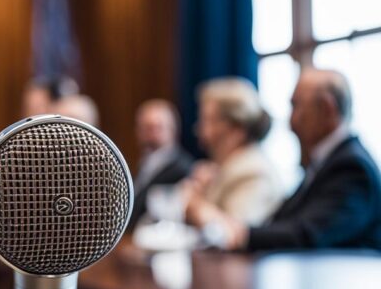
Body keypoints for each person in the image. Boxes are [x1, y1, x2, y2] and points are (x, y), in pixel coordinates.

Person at [191, 69, 381, 251]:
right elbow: (282, 220)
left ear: (326, 108)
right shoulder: (328, 162)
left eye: (296, 106)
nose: (291, 123)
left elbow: (308, 234)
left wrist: (240, 235)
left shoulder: (352, 167)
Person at [185, 77, 283, 227]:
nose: (198, 129)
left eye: (207, 120)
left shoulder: (253, 173)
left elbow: (234, 233)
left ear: (236, 130)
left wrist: (195, 202)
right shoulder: (226, 169)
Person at [130, 99, 194, 226]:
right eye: (146, 128)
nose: (151, 134)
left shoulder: (182, 169)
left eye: (158, 128)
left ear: (173, 130)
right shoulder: (144, 162)